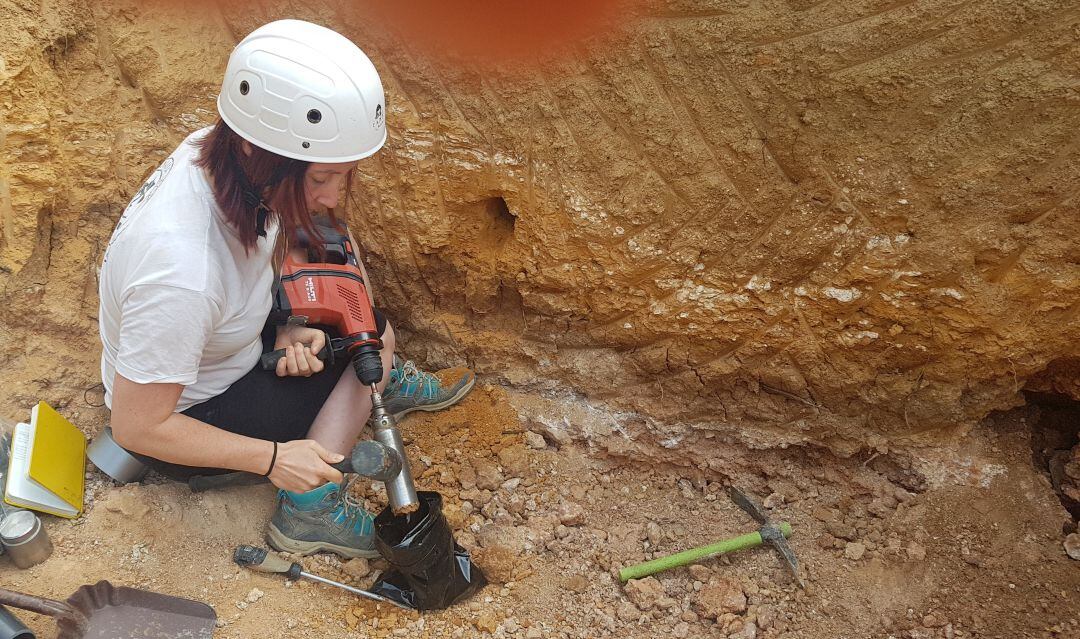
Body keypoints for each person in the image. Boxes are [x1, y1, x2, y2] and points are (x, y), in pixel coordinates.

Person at [97, 19, 474, 559]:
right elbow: (136, 426)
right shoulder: (181, 274)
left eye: (343, 175)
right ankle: (311, 509)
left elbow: (262, 250)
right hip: (189, 418)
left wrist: (289, 324)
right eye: (319, 179)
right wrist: (275, 459)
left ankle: (365, 383)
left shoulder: (218, 152)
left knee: (345, 297)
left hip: (222, 345)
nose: (331, 196)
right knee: (373, 341)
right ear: (258, 151)